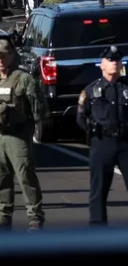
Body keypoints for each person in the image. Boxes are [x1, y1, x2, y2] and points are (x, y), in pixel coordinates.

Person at [0, 39, 46, 232]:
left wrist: (32, 128)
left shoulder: (23, 78)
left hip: (18, 136)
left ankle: (35, 219)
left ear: (11, 55)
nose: (0, 59)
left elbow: (39, 109)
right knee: (1, 178)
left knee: (26, 177)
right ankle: (2, 218)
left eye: (3, 55)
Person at [77, 45, 128, 226]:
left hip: (125, 142)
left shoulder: (126, 87)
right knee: (98, 190)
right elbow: (81, 116)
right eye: (110, 60)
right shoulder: (91, 90)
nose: (114, 63)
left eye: (117, 60)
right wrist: (93, 132)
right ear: (102, 65)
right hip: (102, 142)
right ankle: (98, 230)